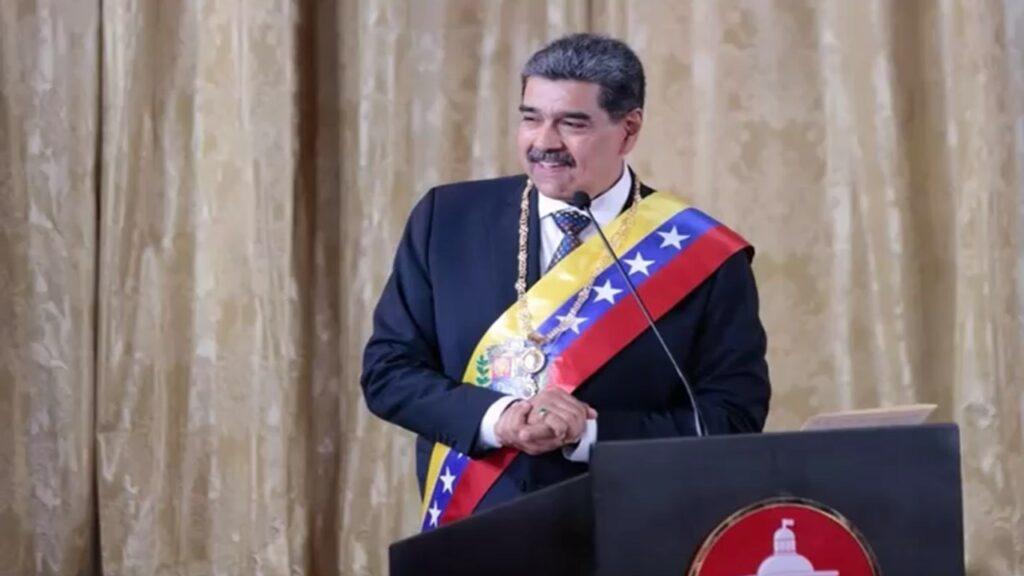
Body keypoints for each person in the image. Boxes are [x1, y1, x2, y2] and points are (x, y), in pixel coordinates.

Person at [361, 33, 770, 531]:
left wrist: (591, 434)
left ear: (628, 130)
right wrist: (499, 418)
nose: (544, 143)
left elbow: (732, 419)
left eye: (572, 124)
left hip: (627, 533)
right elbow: (389, 372)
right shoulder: (446, 220)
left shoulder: (702, 254)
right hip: (474, 527)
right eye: (531, 118)